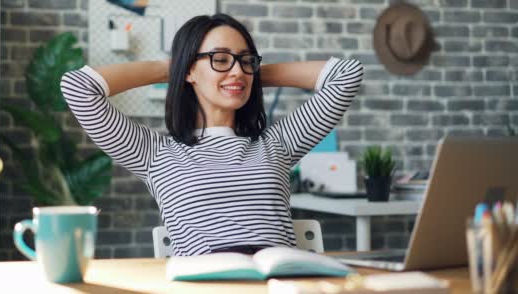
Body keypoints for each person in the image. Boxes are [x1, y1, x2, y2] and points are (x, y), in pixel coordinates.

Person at [61, 14, 363, 256]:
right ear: (189, 70)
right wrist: (176, 68)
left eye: (246, 60)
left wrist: (249, 75)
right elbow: (78, 88)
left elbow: (346, 76)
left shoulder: (277, 144)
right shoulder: (154, 154)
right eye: (220, 59)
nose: (237, 71)